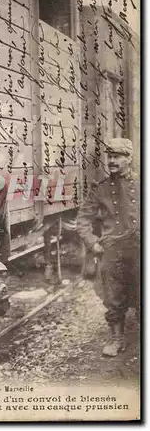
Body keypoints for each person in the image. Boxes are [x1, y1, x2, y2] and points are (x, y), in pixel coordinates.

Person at [77, 138, 140, 357]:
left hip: (140, 247)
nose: (111, 161)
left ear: (129, 159)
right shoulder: (100, 188)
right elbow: (83, 220)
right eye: (110, 157)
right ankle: (117, 338)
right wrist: (92, 242)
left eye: (117, 157)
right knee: (113, 295)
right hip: (112, 249)